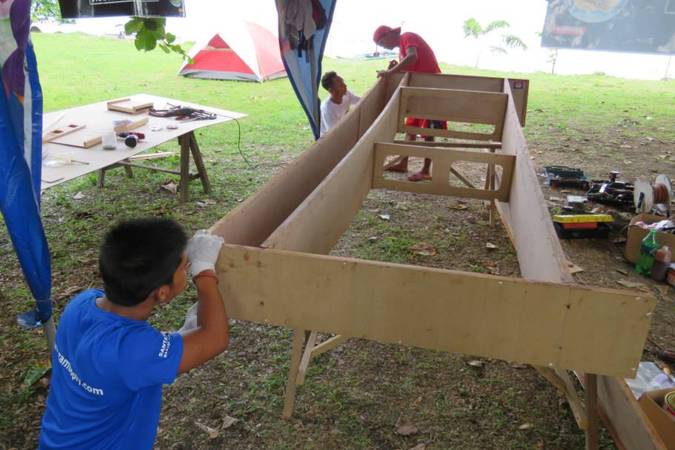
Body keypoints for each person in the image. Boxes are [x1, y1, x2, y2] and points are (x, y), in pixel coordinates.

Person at [39, 218, 229, 449]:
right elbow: (215, 338)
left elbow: (125, 356)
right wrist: (204, 270)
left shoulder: (81, 304)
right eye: (183, 267)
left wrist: (179, 338)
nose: (187, 266)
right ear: (161, 293)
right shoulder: (131, 353)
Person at [373, 25, 446, 182]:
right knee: (411, 128)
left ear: (387, 35)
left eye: (381, 42)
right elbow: (411, 66)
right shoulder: (401, 48)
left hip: (431, 88)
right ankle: (403, 162)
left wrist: (390, 73)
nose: (383, 46)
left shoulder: (407, 37)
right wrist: (395, 69)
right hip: (419, 90)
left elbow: (413, 57)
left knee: (429, 130)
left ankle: (426, 170)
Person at [320, 71, 361, 136]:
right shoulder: (328, 109)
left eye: (343, 81)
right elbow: (333, 134)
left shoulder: (346, 94)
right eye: (340, 85)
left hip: (343, 128)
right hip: (329, 139)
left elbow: (362, 101)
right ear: (331, 91)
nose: (345, 85)